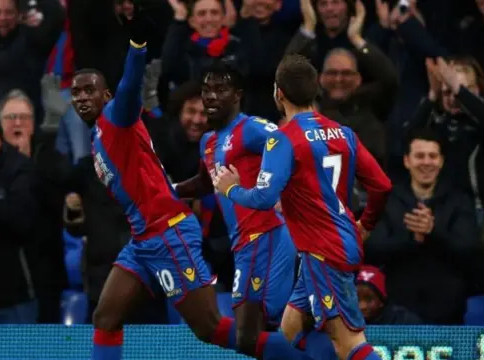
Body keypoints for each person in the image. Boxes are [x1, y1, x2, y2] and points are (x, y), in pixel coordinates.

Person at [70, 10, 237, 360]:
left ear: (106, 96)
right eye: (76, 92)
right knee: (105, 317)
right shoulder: (99, 135)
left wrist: (137, 47)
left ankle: (295, 353)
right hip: (145, 239)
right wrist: (180, 189)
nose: (82, 97)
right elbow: (150, 183)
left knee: (211, 330)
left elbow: (131, 87)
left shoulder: (116, 116)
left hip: (169, 234)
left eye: (90, 90)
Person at [213, 54, 392, 360]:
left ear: (277, 93)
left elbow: (264, 199)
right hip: (332, 243)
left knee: (349, 342)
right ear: (315, 90)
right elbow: (382, 185)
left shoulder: (283, 140)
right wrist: (366, 225)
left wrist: (231, 188)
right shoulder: (343, 133)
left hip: (325, 252)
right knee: (291, 329)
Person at [174, 61, 333, 360]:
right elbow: (207, 183)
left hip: (267, 235)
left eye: (220, 90)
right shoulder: (209, 141)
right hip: (245, 243)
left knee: (251, 334)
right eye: (206, 89)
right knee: (259, 333)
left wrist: (285, 191)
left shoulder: (251, 129)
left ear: (237, 95)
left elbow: (291, 143)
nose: (210, 96)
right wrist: (169, 189)